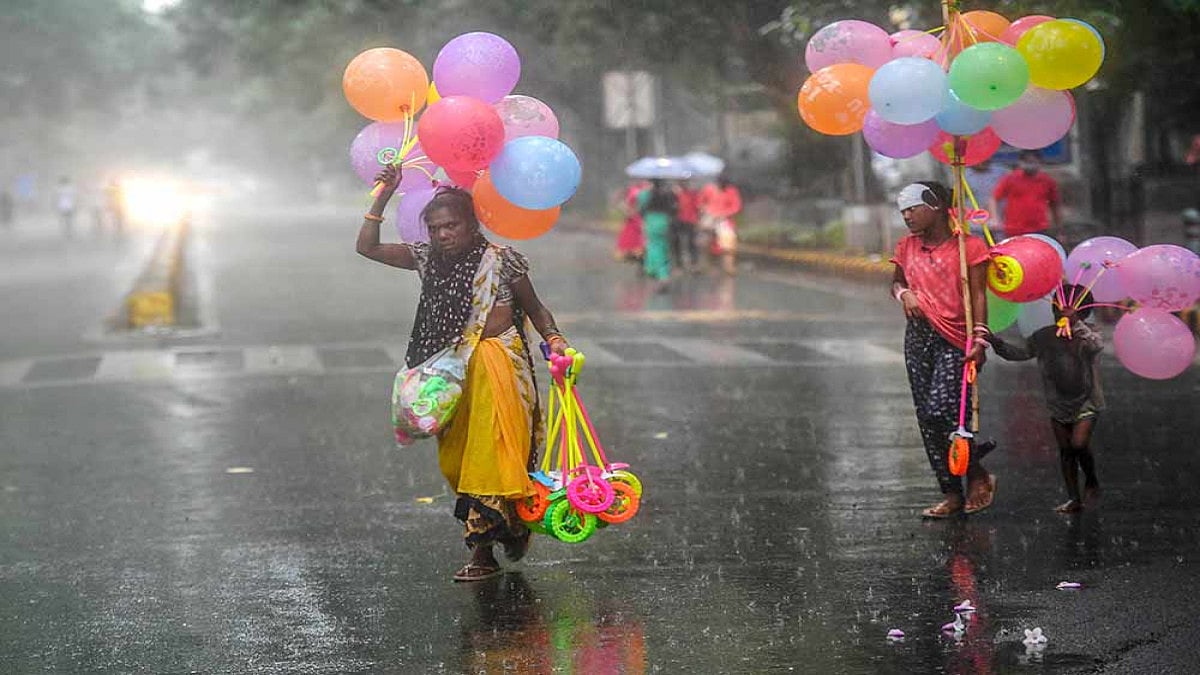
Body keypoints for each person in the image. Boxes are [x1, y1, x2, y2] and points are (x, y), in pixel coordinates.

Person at [356, 164, 570, 582]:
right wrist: (384, 194)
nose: (442, 235)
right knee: (458, 461)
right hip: (451, 374)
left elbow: (535, 308)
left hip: (500, 368)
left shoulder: (502, 261)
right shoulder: (426, 259)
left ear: (472, 224)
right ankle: (512, 526)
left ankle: (483, 552)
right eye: (435, 228)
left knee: (489, 457)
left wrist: (555, 339)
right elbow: (368, 247)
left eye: (451, 226)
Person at [890, 181, 995, 518]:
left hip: (956, 338)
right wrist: (905, 294)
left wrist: (980, 339)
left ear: (935, 206)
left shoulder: (969, 247)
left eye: (913, 208)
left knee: (942, 411)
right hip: (918, 336)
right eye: (903, 211)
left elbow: (978, 295)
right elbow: (896, 281)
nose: (907, 216)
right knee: (926, 417)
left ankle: (976, 472)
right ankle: (951, 492)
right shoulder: (906, 246)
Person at [983, 286, 1104, 513]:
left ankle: (1091, 478)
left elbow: (1096, 346)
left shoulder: (1087, 333)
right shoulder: (1044, 336)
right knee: (1066, 451)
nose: (1062, 314)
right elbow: (1019, 353)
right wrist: (995, 342)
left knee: (1079, 444)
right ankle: (1073, 498)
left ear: (1083, 313)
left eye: (1072, 311)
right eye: (1058, 309)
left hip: (1086, 401)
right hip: (1057, 403)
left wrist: (1077, 325)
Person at [990, 150, 1060, 239]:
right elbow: (994, 198)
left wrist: (1058, 227)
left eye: (1033, 162)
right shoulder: (1011, 178)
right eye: (1027, 161)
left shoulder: (1047, 181)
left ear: (1040, 162)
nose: (1030, 165)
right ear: (1020, 162)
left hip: (1039, 228)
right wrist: (995, 218)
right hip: (1014, 229)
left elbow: (1055, 205)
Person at [698, 174, 742, 275]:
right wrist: (706, 210)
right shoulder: (708, 189)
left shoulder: (732, 191)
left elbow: (736, 207)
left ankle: (729, 267)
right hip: (710, 218)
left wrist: (724, 214)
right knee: (704, 243)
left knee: (728, 246)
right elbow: (700, 202)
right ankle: (705, 265)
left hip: (724, 220)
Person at [638, 179, 677, 291]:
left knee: (654, 248)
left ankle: (658, 273)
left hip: (651, 222)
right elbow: (673, 209)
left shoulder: (645, 195)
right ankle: (662, 273)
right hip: (664, 222)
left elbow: (641, 210)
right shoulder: (668, 194)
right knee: (663, 248)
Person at [963, 159, 1008, 240]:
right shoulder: (964, 175)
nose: (982, 162)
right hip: (975, 224)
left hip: (998, 221)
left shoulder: (1001, 172)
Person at [614, 180, 646, 265]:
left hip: (635, 217)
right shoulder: (636, 190)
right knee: (632, 236)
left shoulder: (638, 191)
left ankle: (634, 255)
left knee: (634, 237)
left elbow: (634, 206)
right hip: (633, 218)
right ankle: (633, 254)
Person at [672, 180, 700, 271]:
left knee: (691, 242)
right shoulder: (675, 195)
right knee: (677, 242)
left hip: (690, 220)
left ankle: (693, 262)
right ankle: (679, 262)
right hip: (679, 220)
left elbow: (697, 206)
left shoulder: (692, 194)